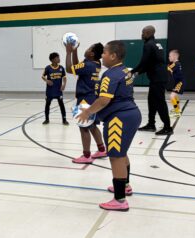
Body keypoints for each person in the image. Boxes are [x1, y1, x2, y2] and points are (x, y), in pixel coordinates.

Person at [78, 40, 141, 211]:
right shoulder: (125, 71)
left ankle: (120, 200)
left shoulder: (111, 75)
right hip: (131, 114)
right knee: (122, 153)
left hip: (118, 120)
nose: (102, 55)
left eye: (104, 53)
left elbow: (104, 100)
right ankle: (125, 186)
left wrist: (87, 112)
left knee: (116, 157)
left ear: (113, 56)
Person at [66, 42, 107, 163]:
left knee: (83, 128)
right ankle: (101, 149)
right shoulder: (96, 63)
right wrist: (74, 51)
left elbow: (69, 69)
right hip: (92, 98)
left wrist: (68, 53)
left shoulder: (88, 65)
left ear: (92, 53)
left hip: (84, 99)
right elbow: (77, 66)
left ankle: (87, 156)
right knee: (92, 126)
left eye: (89, 48)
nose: (87, 49)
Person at [131, 25, 173, 135]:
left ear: (149, 33)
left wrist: (132, 72)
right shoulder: (157, 44)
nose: (142, 35)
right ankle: (151, 124)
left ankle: (168, 127)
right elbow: (151, 63)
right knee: (152, 101)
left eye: (143, 32)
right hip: (159, 77)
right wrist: (138, 72)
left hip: (158, 78)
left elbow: (144, 62)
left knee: (160, 102)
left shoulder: (148, 45)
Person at [41, 52, 68, 125]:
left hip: (58, 91)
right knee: (47, 104)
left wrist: (64, 84)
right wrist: (47, 80)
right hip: (50, 91)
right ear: (53, 59)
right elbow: (42, 76)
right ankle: (46, 119)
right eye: (57, 58)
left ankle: (64, 120)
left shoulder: (61, 68)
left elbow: (64, 77)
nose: (59, 59)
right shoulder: (48, 68)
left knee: (61, 105)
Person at [167, 49, 184, 117]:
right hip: (178, 82)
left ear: (174, 56)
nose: (169, 57)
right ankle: (178, 109)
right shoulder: (178, 63)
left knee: (172, 96)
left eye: (170, 56)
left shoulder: (175, 64)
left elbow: (167, 69)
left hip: (179, 83)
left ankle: (177, 112)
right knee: (175, 96)